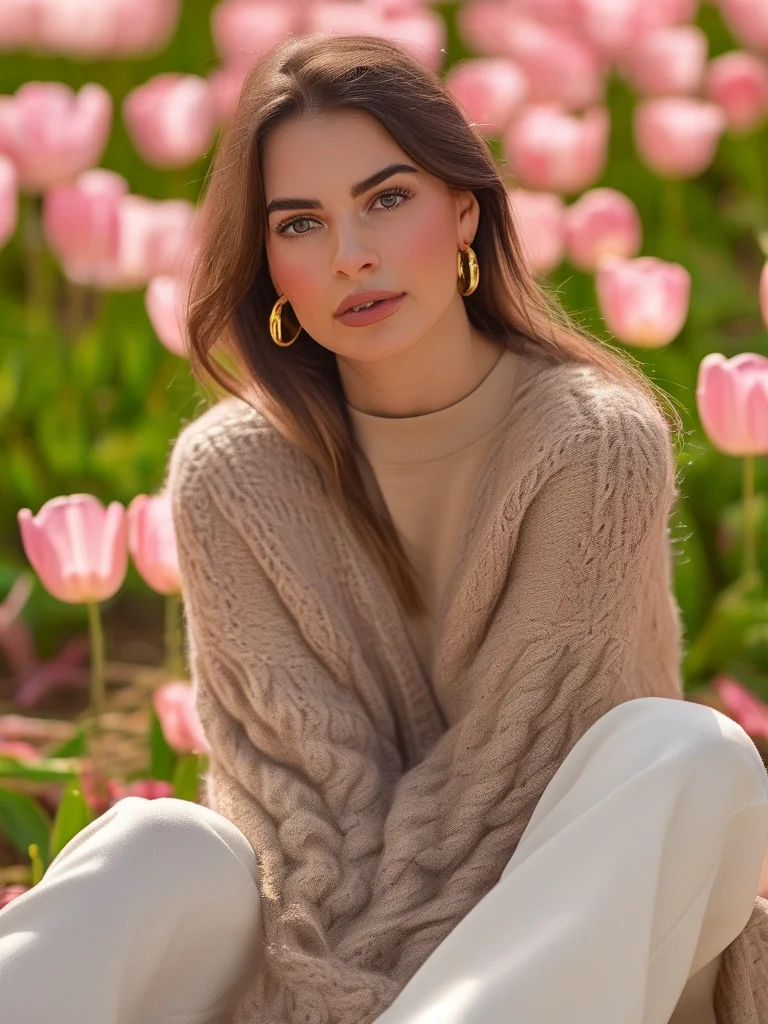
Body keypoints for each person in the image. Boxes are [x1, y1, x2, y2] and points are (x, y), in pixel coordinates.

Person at [2, 31, 768, 1024]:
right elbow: (299, 815)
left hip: (579, 927)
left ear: (465, 209)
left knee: (690, 752)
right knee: (159, 846)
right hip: (322, 938)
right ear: (269, 262)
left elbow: (513, 793)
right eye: (301, 223)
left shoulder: (592, 445)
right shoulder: (233, 477)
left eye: (388, 199)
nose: (351, 255)